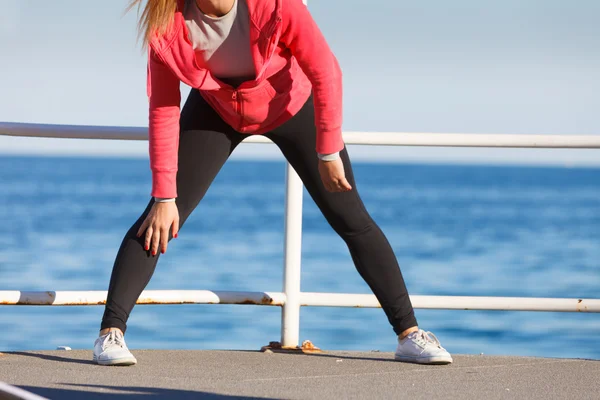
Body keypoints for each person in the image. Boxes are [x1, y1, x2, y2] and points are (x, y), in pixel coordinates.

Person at [93, 0, 453, 366]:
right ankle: (110, 333)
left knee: (351, 218)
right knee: (159, 218)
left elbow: (325, 69)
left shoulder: (275, 4)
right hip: (217, 111)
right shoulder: (166, 22)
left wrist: (328, 151)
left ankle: (409, 335)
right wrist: (164, 193)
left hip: (289, 106)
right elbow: (163, 106)